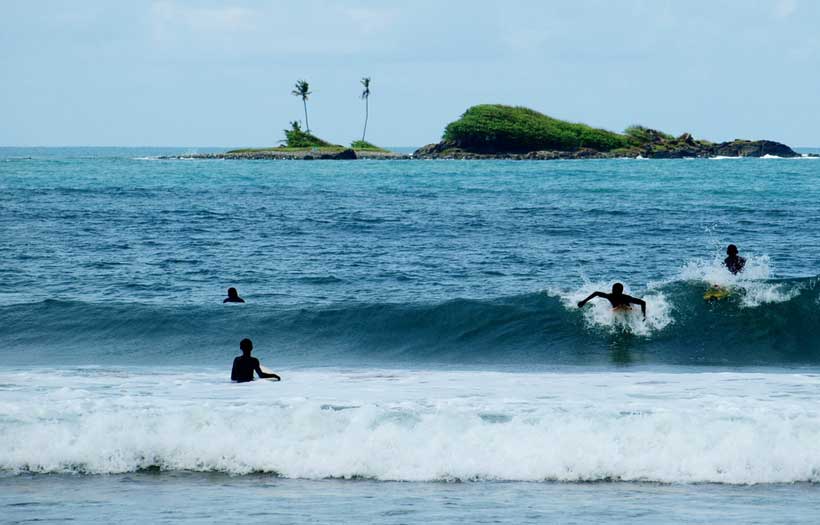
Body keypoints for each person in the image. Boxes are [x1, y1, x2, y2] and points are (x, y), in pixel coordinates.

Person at [577, 283, 646, 318]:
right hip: (616, 309)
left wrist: (643, 315)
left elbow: (643, 302)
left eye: (616, 291)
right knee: (617, 308)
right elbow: (596, 293)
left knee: (624, 306)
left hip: (627, 309)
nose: (613, 292)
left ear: (621, 292)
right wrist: (584, 301)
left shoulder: (626, 298)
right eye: (613, 290)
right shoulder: (610, 296)